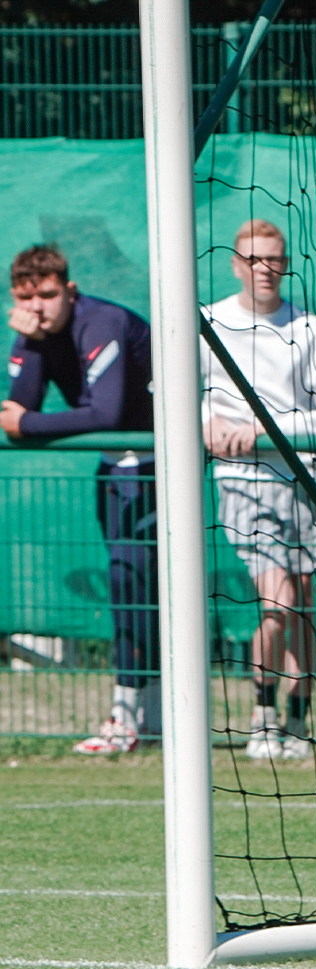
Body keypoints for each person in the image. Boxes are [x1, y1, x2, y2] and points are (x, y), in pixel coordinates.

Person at [201, 218, 316, 761]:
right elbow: (168, 391)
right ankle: (261, 716)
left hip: (303, 481)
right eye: (253, 259)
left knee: (304, 605)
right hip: (242, 481)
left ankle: (297, 721)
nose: (264, 270)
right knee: (277, 601)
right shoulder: (207, 322)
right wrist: (204, 421)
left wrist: (273, 430)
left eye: (274, 259)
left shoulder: (308, 329)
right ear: (235, 262)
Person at [0, 244, 155, 755]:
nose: (38, 305)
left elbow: (103, 414)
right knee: (129, 585)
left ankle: (134, 717)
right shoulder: (37, 337)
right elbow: (16, 405)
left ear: (69, 289)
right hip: (117, 466)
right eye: (26, 297)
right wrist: (28, 342)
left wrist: (29, 424)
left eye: (47, 294)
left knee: (137, 585)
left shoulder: (102, 321)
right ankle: (140, 717)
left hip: (158, 463)